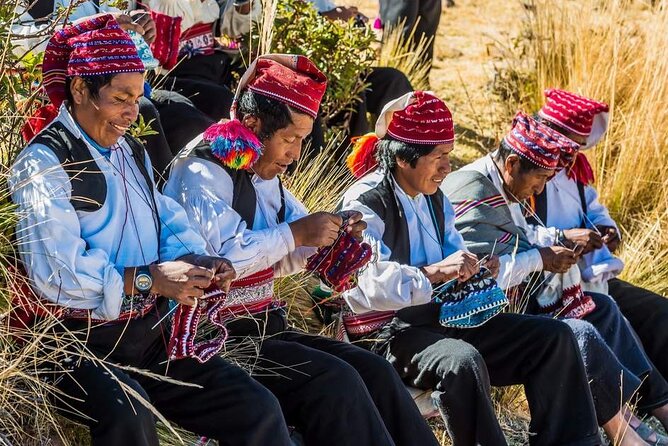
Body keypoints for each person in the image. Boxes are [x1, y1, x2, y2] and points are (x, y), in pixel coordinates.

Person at [8, 16, 303, 445]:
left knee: (254, 407)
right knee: (129, 417)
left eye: (138, 96)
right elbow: (57, 276)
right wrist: (151, 279)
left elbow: (161, 213)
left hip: (145, 333)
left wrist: (195, 257)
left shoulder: (127, 149)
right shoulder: (44, 164)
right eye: (119, 98)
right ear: (78, 90)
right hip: (75, 344)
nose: (132, 112)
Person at [164, 54, 439, 446]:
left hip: (261, 329)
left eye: (302, 141)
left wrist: (331, 237)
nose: (294, 154)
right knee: (335, 381)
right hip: (216, 341)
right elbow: (224, 259)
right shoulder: (202, 170)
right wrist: (297, 234)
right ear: (254, 125)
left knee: (373, 371)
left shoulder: (262, 173)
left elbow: (286, 255)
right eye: (290, 139)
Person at [337, 91, 601, 446]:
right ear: (404, 158)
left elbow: (456, 255)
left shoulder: (434, 197)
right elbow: (366, 287)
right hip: (387, 334)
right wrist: (435, 273)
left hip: (440, 319)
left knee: (553, 338)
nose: (448, 167)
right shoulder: (365, 202)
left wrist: (477, 270)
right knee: (462, 361)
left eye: (449, 155)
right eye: (439, 157)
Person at [444, 111, 668, 445]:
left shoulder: (506, 186)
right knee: (576, 332)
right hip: (480, 316)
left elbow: (522, 235)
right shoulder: (471, 190)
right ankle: (621, 430)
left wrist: (559, 241)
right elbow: (479, 273)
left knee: (603, 308)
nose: (541, 187)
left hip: (523, 297)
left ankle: (655, 407)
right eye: (539, 178)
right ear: (511, 165)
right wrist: (542, 258)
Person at [531, 89, 668, 391]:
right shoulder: (524, 170)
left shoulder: (573, 175)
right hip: (545, 289)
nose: (571, 156)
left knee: (658, 313)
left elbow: (594, 209)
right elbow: (513, 234)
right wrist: (563, 237)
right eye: (568, 147)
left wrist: (607, 231)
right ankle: (647, 398)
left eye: (577, 148)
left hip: (590, 277)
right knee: (615, 321)